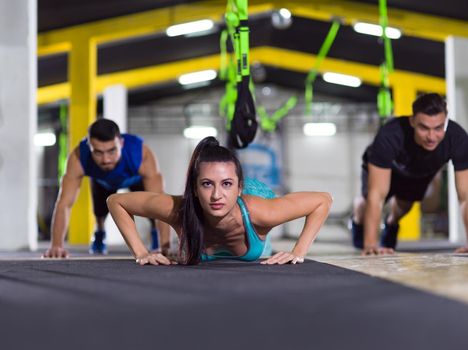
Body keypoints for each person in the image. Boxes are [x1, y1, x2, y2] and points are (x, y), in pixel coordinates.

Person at [107, 136, 332, 265]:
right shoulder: (179, 209)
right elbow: (116, 201)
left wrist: (299, 251)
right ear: (194, 189)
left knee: (264, 252)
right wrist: (141, 252)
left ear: (238, 187)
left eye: (226, 184)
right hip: (216, 204)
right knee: (182, 250)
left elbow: (323, 200)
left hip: (255, 200)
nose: (216, 196)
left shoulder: (262, 213)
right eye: (206, 184)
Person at [350, 93, 468, 255]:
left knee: (403, 207)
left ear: (446, 121)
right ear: (412, 121)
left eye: (438, 128)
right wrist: (370, 245)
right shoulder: (390, 135)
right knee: (366, 203)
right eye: (424, 128)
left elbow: (466, 196)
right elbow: (376, 195)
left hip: (418, 172)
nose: (431, 137)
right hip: (385, 167)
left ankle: (391, 223)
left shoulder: (458, 138)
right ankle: (357, 221)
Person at [43, 118, 169, 258]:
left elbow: (160, 201)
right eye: (98, 152)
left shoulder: (141, 154)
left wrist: (165, 246)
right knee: (99, 212)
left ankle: (156, 238)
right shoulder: (79, 157)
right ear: (89, 146)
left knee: (152, 208)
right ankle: (100, 233)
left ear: (121, 143)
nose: (105, 160)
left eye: (111, 151)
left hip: (135, 180)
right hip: (102, 182)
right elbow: (64, 203)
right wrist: (56, 246)